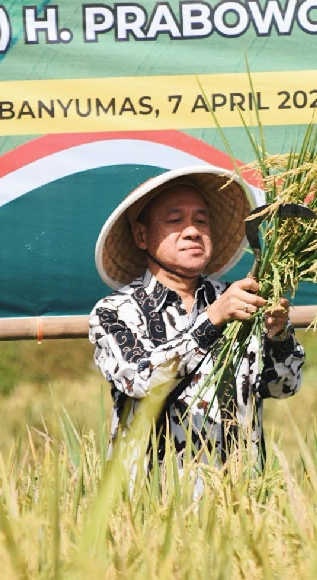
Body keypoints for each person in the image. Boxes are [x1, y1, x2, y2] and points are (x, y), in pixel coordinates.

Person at [89, 165, 305, 476]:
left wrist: (278, 335)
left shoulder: (243, 301)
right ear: (141, 235)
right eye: (175, 220)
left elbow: (284, 387)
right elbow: (140, 380)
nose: (192, 231)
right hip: (151, 504)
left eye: (201, 221)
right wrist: (212, 319)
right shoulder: (114, 312)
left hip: (239, 501)